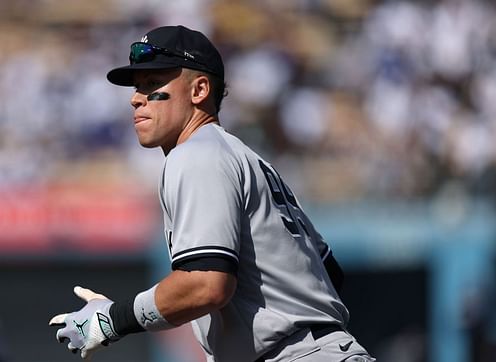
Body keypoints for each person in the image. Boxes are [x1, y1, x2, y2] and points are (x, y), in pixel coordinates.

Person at [49, 25, 375, 362]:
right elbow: (328, 272)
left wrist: (113, 320)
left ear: (199, 89)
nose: (136, 97)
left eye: (152, 84)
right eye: (136, 87)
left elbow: (206, 284)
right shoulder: (248, 158)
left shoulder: (196, 154)